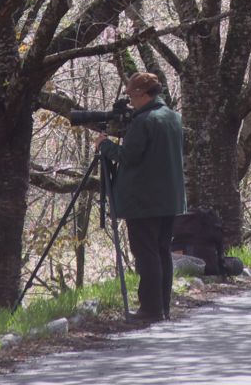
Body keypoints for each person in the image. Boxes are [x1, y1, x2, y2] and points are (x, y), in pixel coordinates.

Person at [97, 71, 186, 323]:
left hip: (144, 201)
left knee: (146, 253)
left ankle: (150, 309)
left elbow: (128, 157)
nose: (130, 102)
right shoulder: (173, 118)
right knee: (161, 251)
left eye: (132, 96)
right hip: (170, 199)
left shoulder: (144, 121)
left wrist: (105, 146)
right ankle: (162, 307)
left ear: (144, 95)